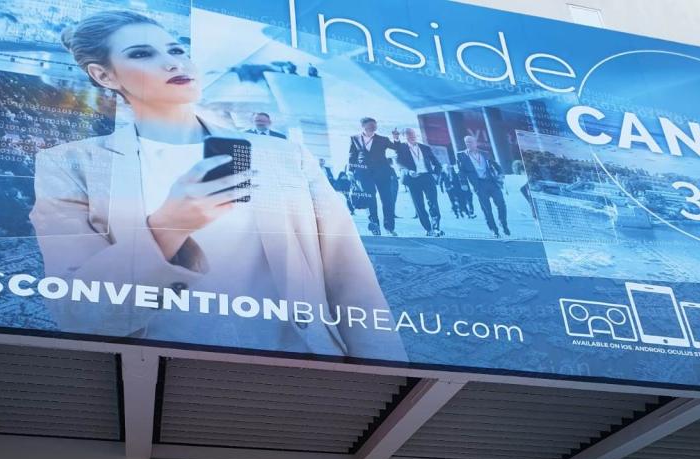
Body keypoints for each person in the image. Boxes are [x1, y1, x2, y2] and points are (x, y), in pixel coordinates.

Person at [30, 11, 407, 363]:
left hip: (300, 362)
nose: (173, 62)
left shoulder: (283, 155)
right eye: (142, 53)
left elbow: (350, 277)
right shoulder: (71, 164)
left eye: (177, 49)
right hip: (156, 374)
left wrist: (388, 371)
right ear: (104, 76)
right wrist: (166, 226)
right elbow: (78, 315)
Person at [347, 117, 397, 236]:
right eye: (370, 126)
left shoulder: (383, 139)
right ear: (363, 126)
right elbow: (352, 155)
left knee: (387, 199)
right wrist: (350, 171)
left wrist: (396, 138)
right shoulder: (354, 138)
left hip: (382, 172)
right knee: (370, 199)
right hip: (363, 173)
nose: (373, 128)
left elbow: (396, 148)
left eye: (375, 126)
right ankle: (374, 226)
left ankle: (389, 227)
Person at [392, 127, 442, 235]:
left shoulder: (425, 148)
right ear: (405, 137)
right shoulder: (401, 148)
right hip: (412, 180)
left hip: (427, 178)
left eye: (413, 134)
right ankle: (428, 229)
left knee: (433, 203)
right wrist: (408, 171)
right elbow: (399, 163)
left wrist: (435, 175)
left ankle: (436, 227)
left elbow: (437, 164)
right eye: (409, 135)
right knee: (419, 205)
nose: (412, 137)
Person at [457, 134, 509, 238]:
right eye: (467, 142)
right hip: (478, 185)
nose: (469, 144)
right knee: (487, 209)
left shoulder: (485, 153)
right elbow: (461, 171)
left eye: (471, 141)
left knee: (501, 204)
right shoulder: (461, 155)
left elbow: (495, 164)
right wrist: (463, 183)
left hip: (491, 182)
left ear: (476, 142)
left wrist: (500, 173)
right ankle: (494, 230)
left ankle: (503, 224)